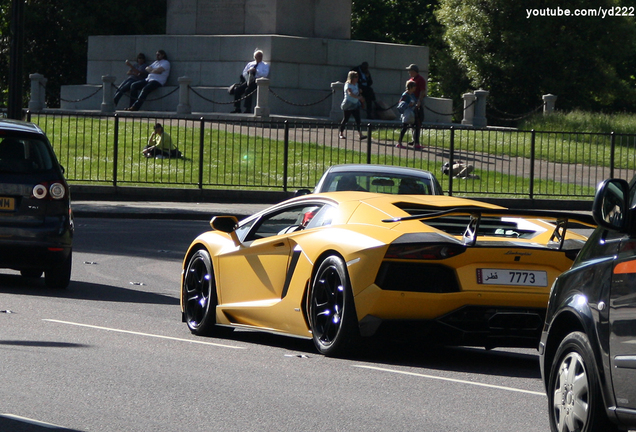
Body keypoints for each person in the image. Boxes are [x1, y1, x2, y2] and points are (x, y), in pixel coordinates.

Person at [232, 49, 270, 113]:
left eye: (261, 56)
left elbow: (265, 74)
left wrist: (256, 71)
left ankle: (248, 109)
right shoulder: (250, 64)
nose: (259, 57)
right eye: (258, 56)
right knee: (237, 90)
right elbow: (243, 73)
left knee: (248, 90)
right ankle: (237, 108)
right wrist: (248, 72)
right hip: (248, 80)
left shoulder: (265, 65)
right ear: (255, 57)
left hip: (257, 82)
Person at [338, 71, 367, 141]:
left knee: (358, 119)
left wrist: (360, 95)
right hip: (348, 104)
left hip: (355, 104)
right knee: (346, 119)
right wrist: (358, 98)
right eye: (356, 77)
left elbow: (356, 93)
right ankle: (341, 133)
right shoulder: (348, 85)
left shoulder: (356, 84)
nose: (357, 78)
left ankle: (360, 134)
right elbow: (350, 93)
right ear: (352, 78)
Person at [406, 64, 427, 147]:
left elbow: (422, 91)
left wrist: (419, 101)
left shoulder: (420, 79)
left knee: (418, 121)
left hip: (418, 102)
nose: (409, 72)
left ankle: (417, 141)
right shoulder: (411, 79)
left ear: (414, 71)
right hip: (411, 102)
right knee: (412, 122)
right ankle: (414, 139)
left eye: (410, 70)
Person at [396, 81, 418, 149]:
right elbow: (401, 104)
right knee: (404, 128)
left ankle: (415, 142)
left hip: (412, 112)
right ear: (410, 87)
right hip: (406, 113)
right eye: (414, 87)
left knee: (414, 128)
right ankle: (399, 142)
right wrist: (408, 105)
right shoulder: (405, 95)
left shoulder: (412, 94)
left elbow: (415, 101)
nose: (415, 89)